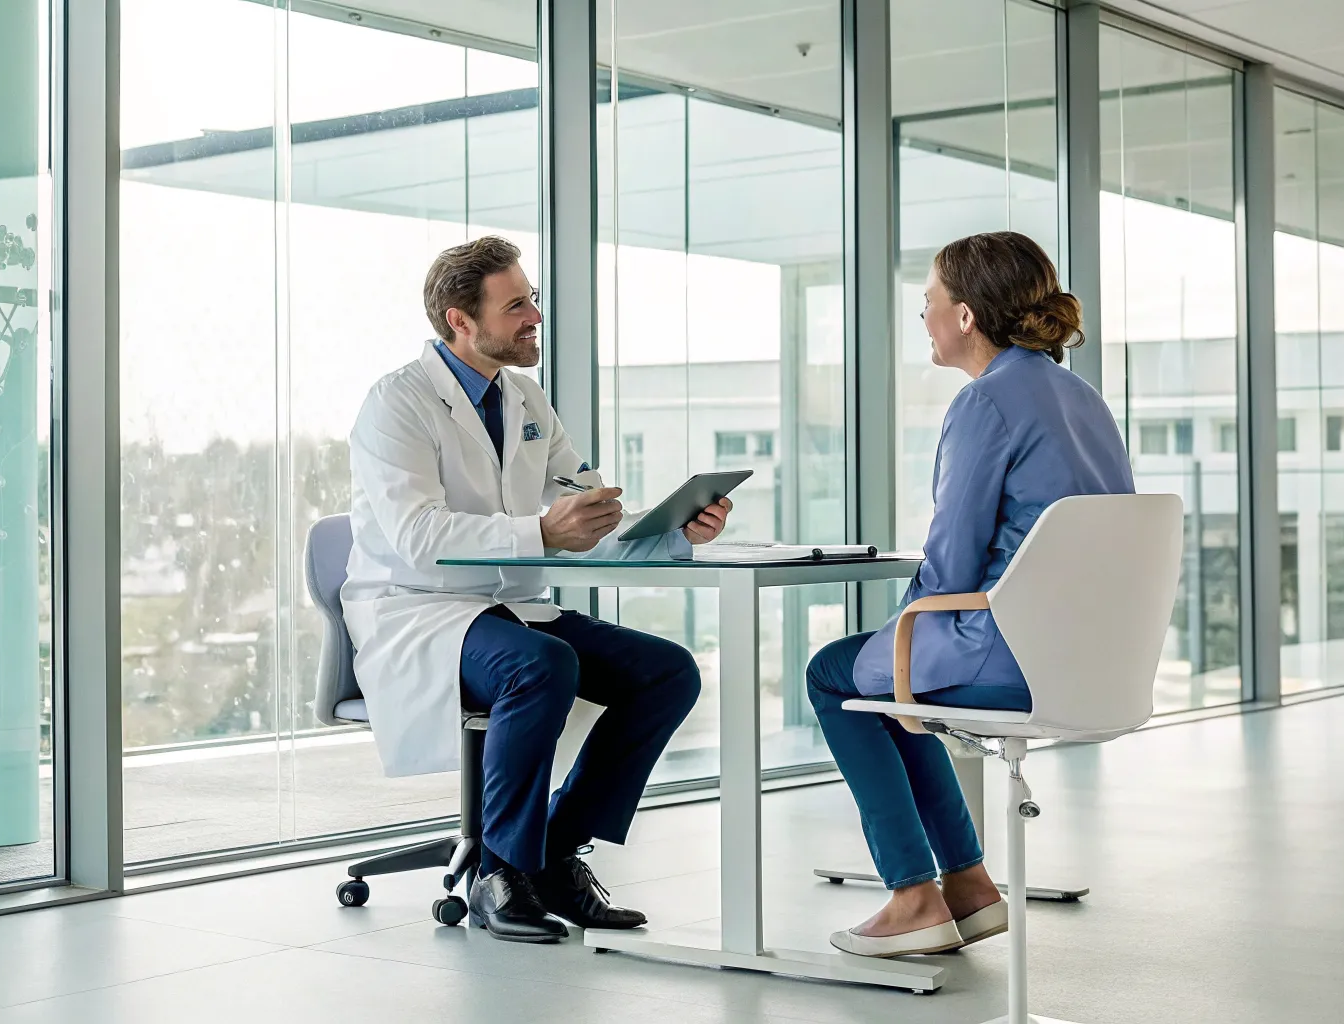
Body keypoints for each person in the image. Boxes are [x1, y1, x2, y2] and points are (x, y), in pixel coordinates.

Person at [343, 235, 734, 944]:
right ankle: (501, 872)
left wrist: (676, 531)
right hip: (423, 612)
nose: (534, 317)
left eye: (534, 300)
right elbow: (419, 536)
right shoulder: (396, 404)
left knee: (666, 672)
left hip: (514, 606)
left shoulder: (525, 397)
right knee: (541, 664)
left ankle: (553, 852)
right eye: (515, 304)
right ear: (461, 321)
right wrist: (542, 530)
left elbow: (581, 512)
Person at [807, 231, 1133, 958]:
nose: (923, 317)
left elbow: (950, 570)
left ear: (964, 317)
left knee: (836, 674)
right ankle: (969, 888)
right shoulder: (1084, 398)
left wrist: (899, 633)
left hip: (1010, 654)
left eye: (928, 303)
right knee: (895, 688)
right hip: (1089, 658)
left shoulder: (986, 403)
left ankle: (914, 896)